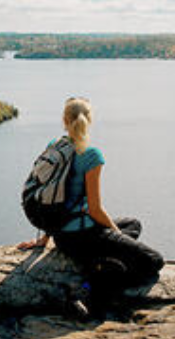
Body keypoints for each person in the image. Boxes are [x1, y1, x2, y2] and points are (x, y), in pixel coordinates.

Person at [18, 97, 164, 301]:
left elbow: (48, 194)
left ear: (64, 120)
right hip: (85, 236)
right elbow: (95, 210)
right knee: (153, 261)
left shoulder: (55, 145)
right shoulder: (91, 155)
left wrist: (44, 239)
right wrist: (115, 234)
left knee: (133, 223)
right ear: (90, 120)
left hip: (61, 237)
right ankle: (91, 284)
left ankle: (99, 259)